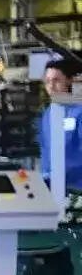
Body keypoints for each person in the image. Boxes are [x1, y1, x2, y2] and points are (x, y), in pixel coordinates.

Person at [38, 58, 82, 190]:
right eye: (47, 81)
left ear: (69, 81)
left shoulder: (79, 111)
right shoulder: (48, 114)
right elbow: (45, 151)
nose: (51, 86)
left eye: (56, 80)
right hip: (53, 185)